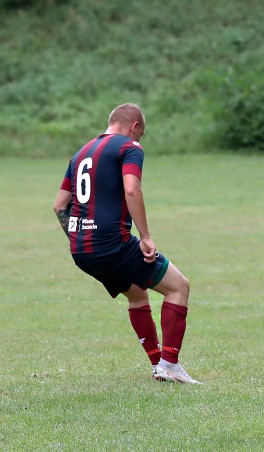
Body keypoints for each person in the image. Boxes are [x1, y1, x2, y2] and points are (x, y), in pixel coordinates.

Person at [53, 103, 200, 383]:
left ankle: (159, 365)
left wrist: (79, 236)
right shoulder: (128, 147)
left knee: (137, 294)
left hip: (82, 251)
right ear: (134, 127)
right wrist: (145, 237)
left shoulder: (80, 153)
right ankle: (169, 363)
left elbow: (60, 205)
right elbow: (132, 189)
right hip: (112, 244)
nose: (139, 140)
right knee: (178, 287)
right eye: (140, 134)